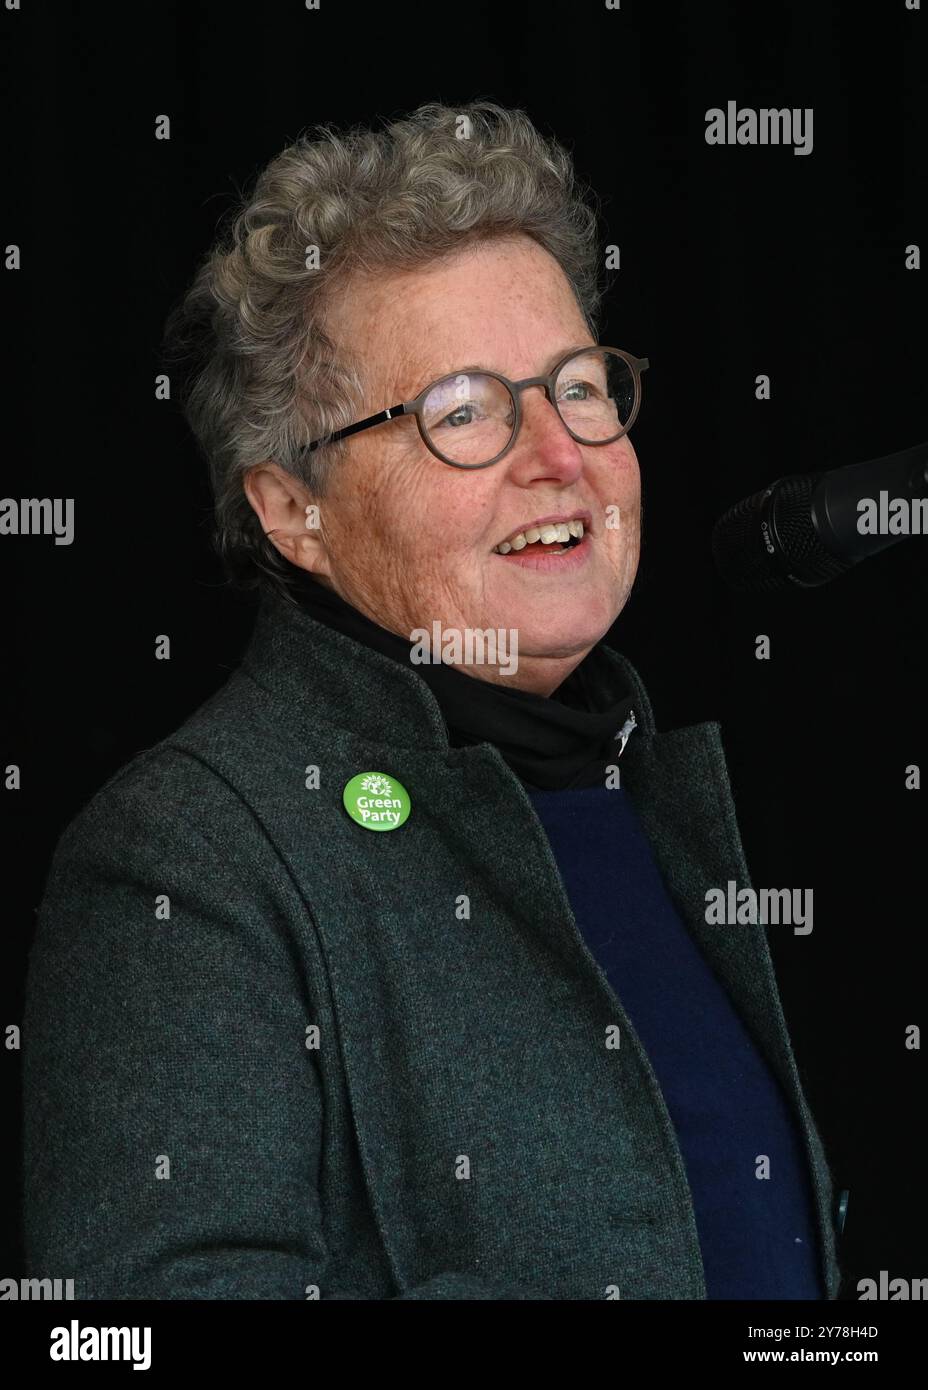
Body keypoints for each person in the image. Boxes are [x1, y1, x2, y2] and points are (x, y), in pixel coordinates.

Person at [22, 101, 843, 1300]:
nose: (557, 453)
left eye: (579, 386)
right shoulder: (190, 856)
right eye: (463, 411)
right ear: (292, 511)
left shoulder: (653, 789)